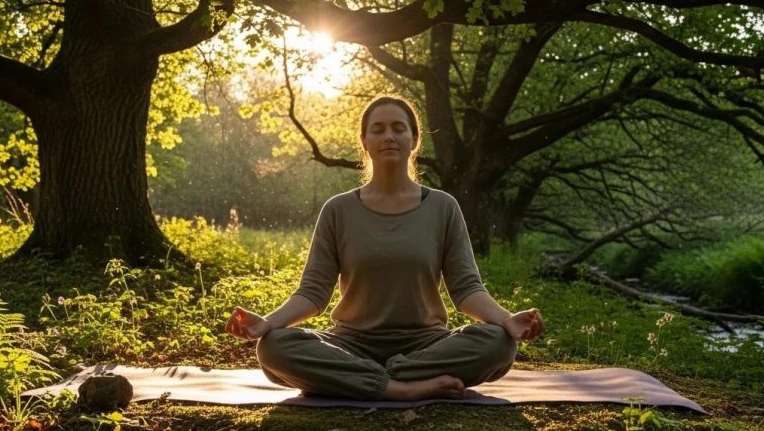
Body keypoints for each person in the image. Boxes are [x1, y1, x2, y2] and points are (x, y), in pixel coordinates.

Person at [226, 96, 545, 401]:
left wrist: (506, 320)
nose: (388, 136)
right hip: (350, 344)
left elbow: (466, 289)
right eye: (378, 129)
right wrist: (267, 322)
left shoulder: (443, 207)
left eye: (398, 128)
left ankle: (367, 380)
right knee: (274, 347)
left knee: (499, 344)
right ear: (364, 141)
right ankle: (400, 388)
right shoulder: (338, 210)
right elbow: (312, 293)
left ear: (414, 139)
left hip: (427, 346)